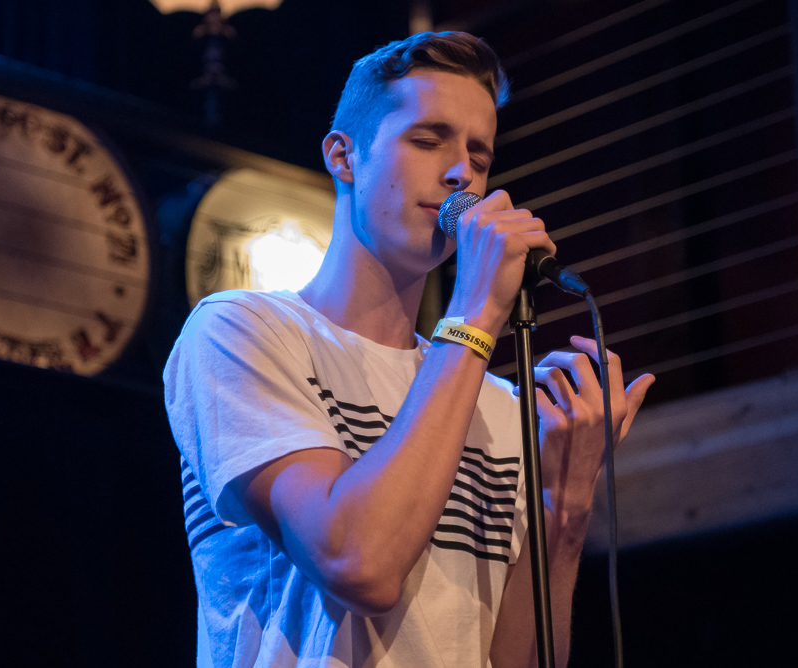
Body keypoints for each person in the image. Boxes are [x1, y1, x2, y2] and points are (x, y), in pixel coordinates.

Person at [164, 30, 654, 667]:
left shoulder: (497, 405)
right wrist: (476, 311)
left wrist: (563, 503)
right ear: (344, 156)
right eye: (428, 139)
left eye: (480, 156)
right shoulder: (243, 333)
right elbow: (357, 562)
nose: (462, 174)